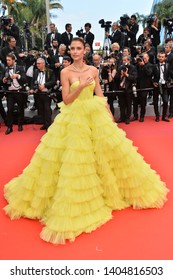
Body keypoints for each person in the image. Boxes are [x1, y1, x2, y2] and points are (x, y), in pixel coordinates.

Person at [4, 37, 168, 245]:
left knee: (106, 152)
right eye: (72, 48)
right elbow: (66, 100)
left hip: (94, 115)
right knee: (76, 158)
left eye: (78, 48)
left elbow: (99, 92)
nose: (74, 51)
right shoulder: (65, 72)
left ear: (85, 50)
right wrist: (80, 86)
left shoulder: (93, 70)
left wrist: (108, 112)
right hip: (74, 118)